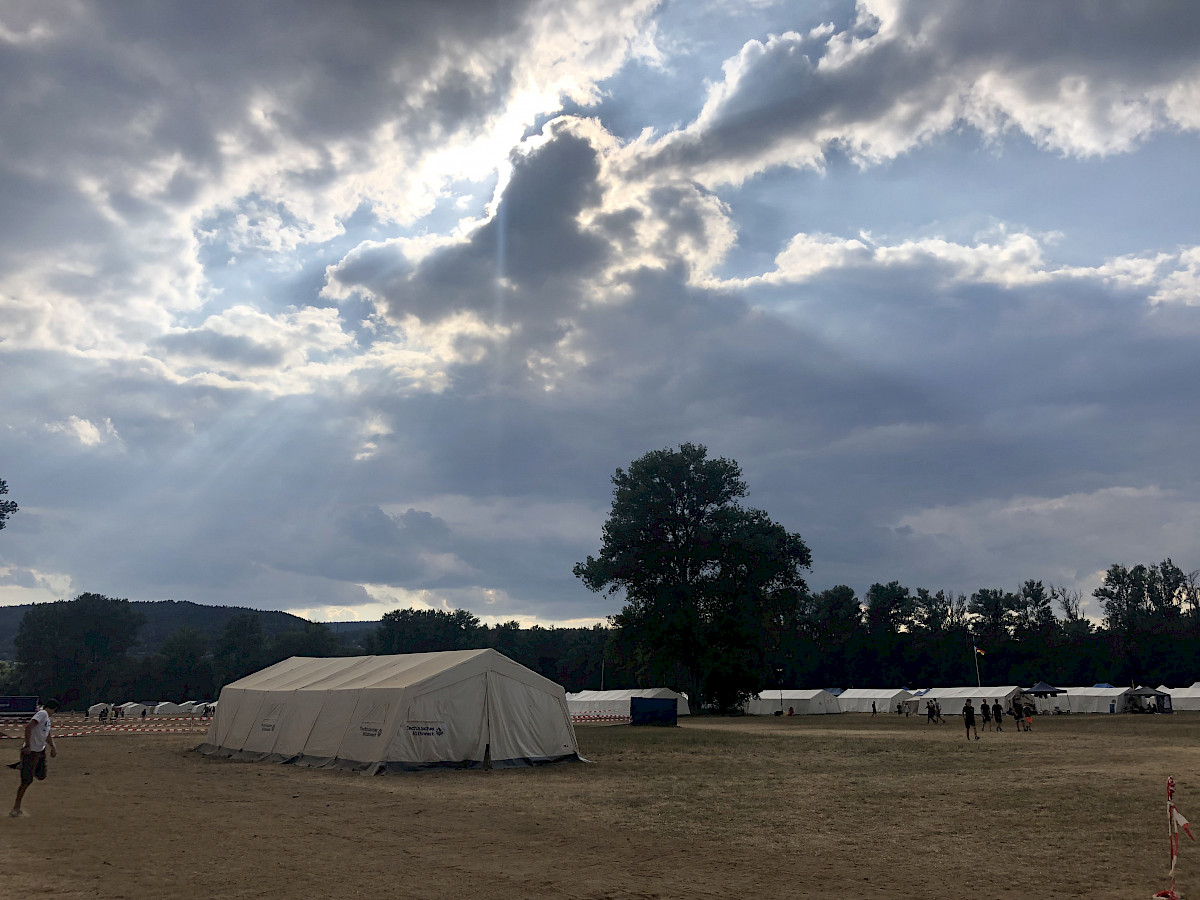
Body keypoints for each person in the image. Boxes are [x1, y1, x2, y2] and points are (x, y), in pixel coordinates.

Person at [11, 699, 58, 818]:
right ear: (52, 709)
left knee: (41, 776)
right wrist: (27, 745)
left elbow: (46, 734)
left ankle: (22, 765)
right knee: (27, 781)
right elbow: (28, 727)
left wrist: (52, 746)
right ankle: (16, 808)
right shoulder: (42, 714)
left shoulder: (47, 718)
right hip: (31, 751)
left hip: (40, 751)